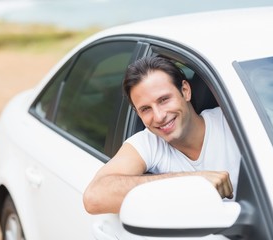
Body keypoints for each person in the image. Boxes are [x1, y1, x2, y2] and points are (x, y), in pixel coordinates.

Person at [83, 56, 241, 216]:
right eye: (145, 109)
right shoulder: (148, 143)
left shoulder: (234, 123)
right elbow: (94, 197)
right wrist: (192, 182)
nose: (158, 117)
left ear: (185, 91)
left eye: (164, 99)